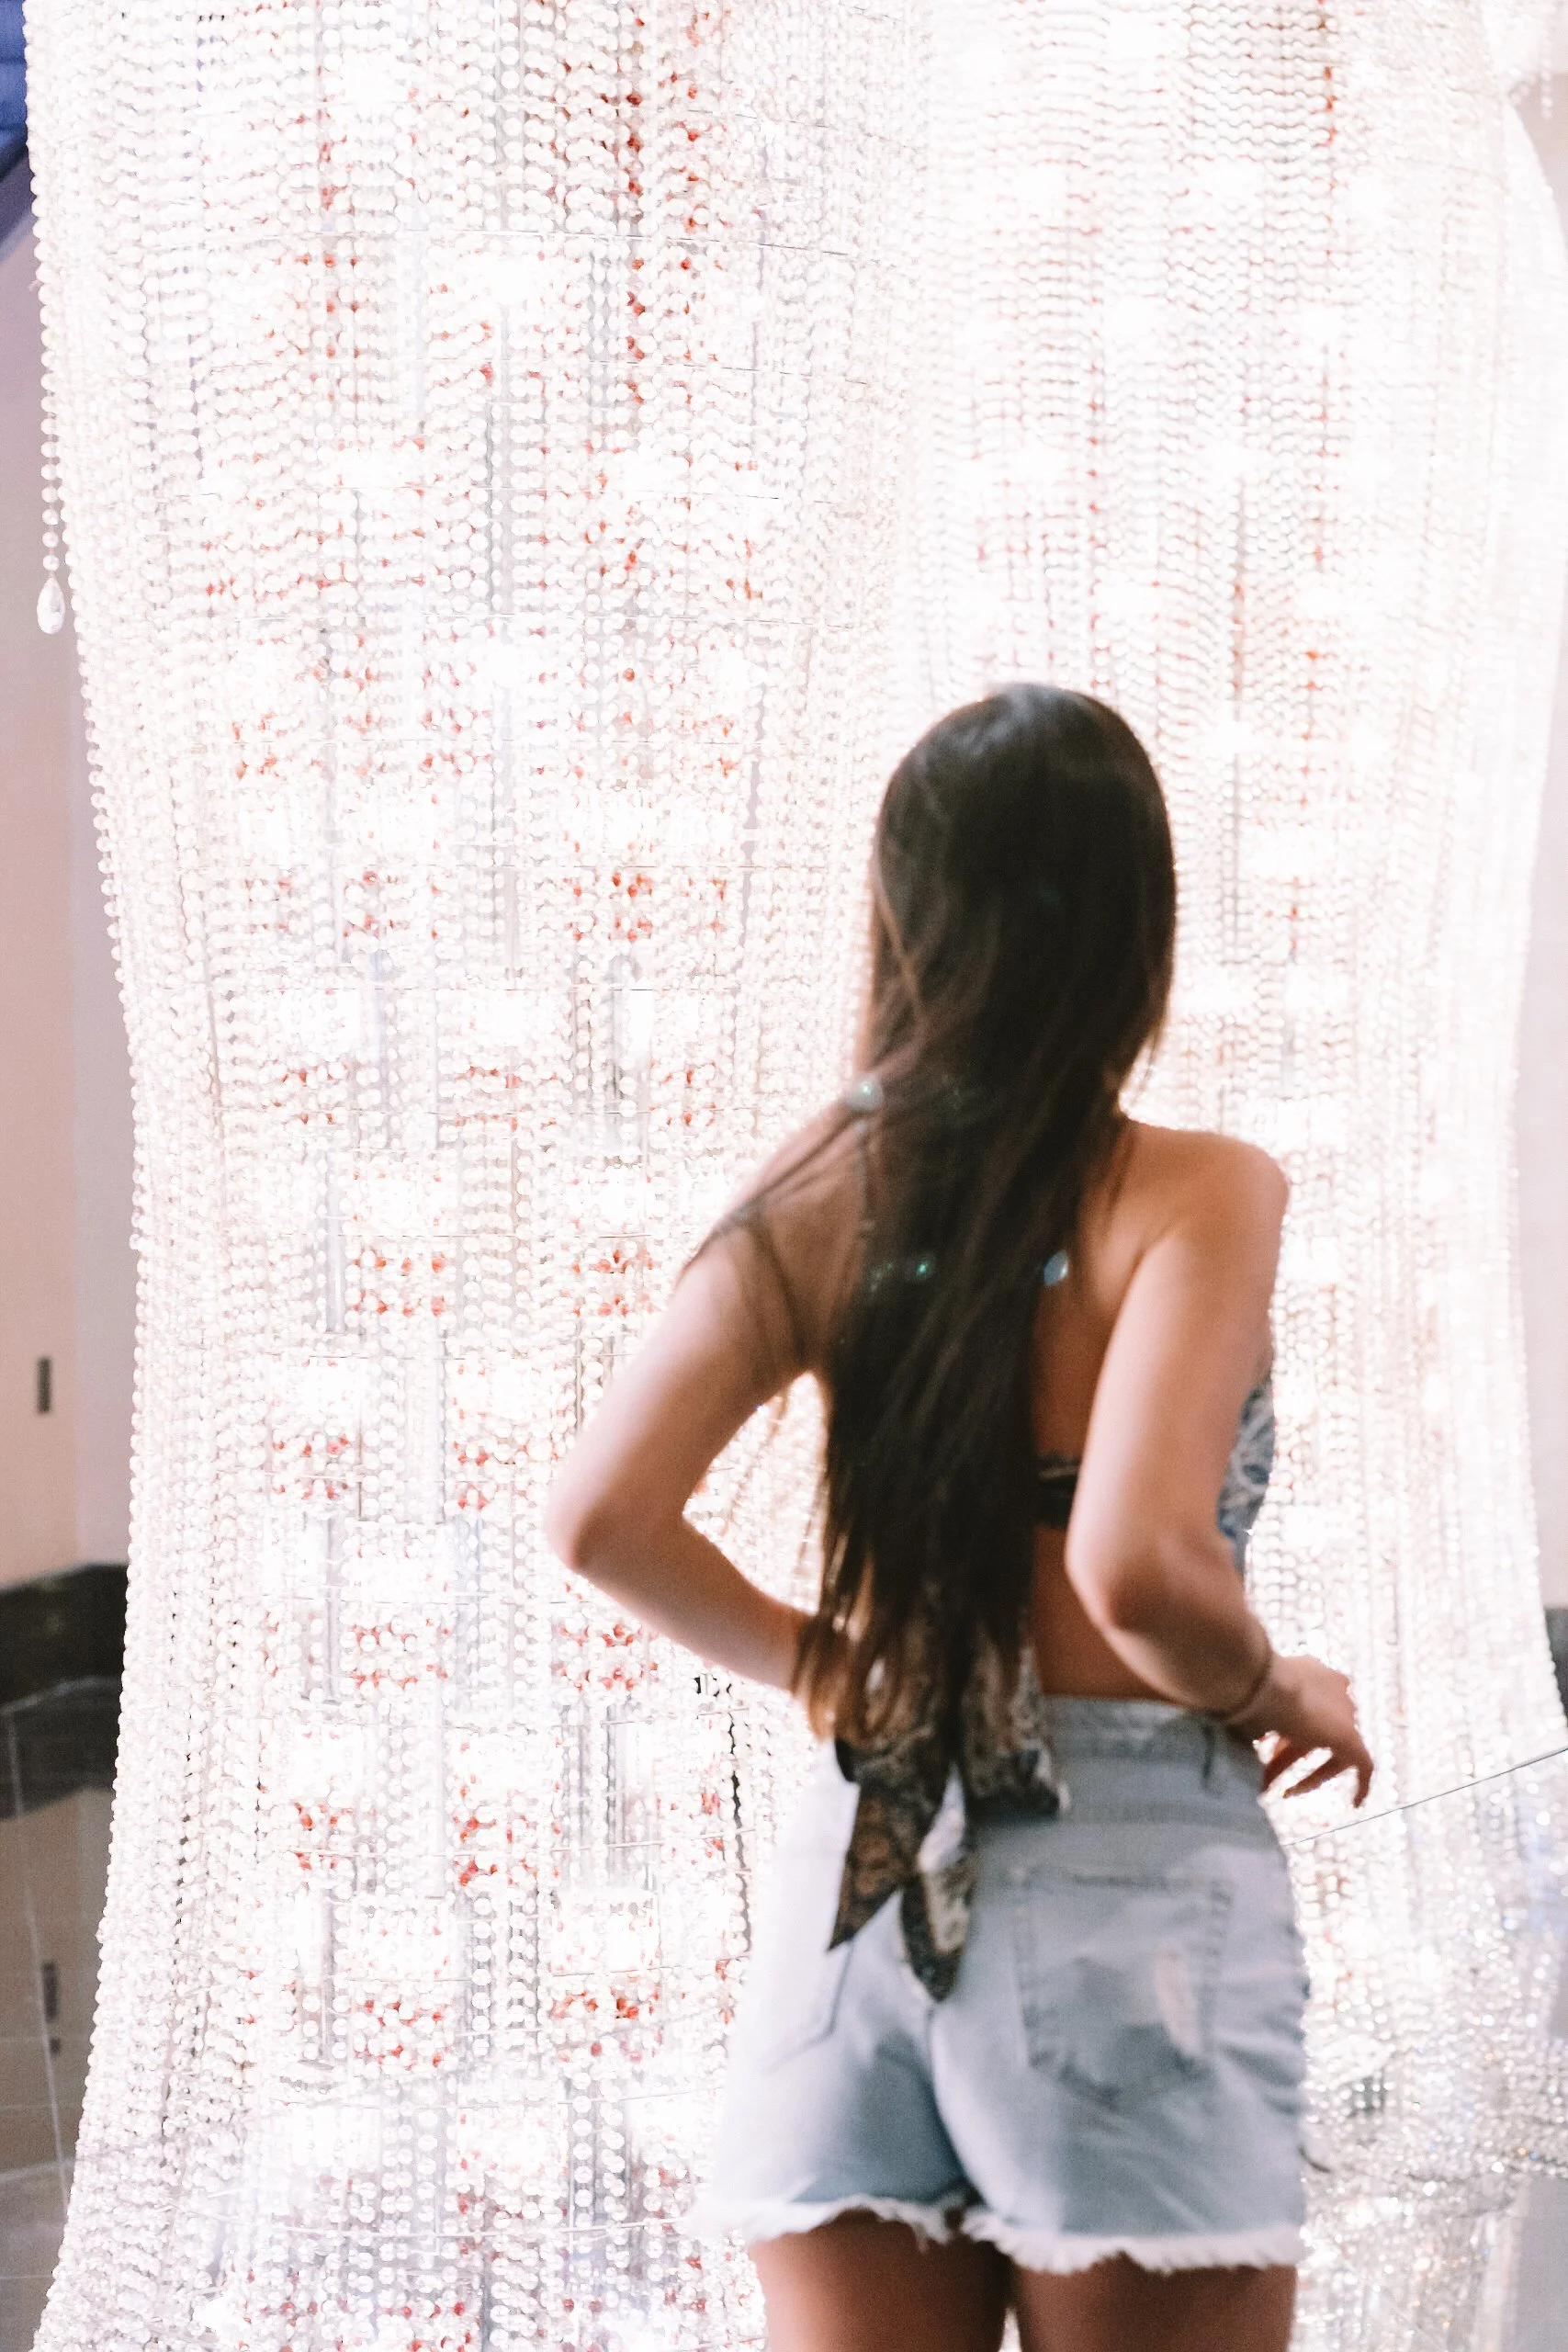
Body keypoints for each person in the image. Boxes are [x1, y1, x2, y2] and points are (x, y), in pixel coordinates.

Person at [545, 684, 1373, 2352]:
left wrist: (824, 1667)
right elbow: (1136, 1565)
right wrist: (1275, 1685)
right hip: (1128, 1911)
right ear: (1137, 929)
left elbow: (601, 1516)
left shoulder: (822, 1189)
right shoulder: (1196, 1192)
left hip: (854, 1901)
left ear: (903, 920)